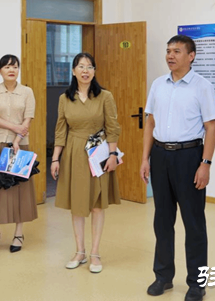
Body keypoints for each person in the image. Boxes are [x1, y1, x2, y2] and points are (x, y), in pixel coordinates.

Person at [140, 35, 215, 301]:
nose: (170, 56)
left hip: (189, 156)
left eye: (176, 51)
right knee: (162, 220)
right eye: (168, 51)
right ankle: (163, 276)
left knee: (193, 222)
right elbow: (150, 123)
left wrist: (205, 164)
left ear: (191, 56)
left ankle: (197, 283)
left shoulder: (202, 86)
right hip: (160, 155)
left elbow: (211, 127)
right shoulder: (158, 84)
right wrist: (145, 158)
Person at [51, 52, 121, 274]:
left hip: (98, 152)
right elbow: (60, 130)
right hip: (73, 152)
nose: (85, 71)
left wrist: (112, 155)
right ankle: (79, 251)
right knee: (78, 204)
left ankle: (95, 253)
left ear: (94, 71)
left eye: (90, 67)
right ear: (73, 71)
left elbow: (113, 127)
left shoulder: (105, 96)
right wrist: (55, 158)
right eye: (81, 66)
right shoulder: (65, 98)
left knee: (97, 204)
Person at [0, 54, 37, 253]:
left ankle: (19, 233)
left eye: (14, 66)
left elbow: (27, 119)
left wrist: (17, 139)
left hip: (20, 145)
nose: (11, 70)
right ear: (0, 71)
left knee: (19, 189)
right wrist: (14, 128)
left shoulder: (27, 92)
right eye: (6, 67)